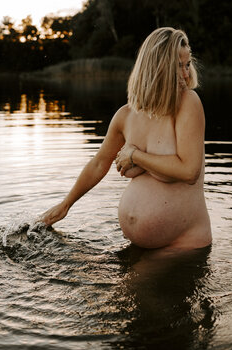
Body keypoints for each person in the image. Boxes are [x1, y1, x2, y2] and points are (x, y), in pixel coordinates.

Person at [40, 27, 212, 250]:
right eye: (177, 67)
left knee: (127, 285)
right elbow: (99, 163)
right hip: (142, 246)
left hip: (184, 244)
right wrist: (65, 205)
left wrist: (136, 156)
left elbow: (189, 171)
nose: (186, 74)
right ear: (156, 68)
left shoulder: (188, 103)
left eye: (187, 64)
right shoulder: (126, 116)